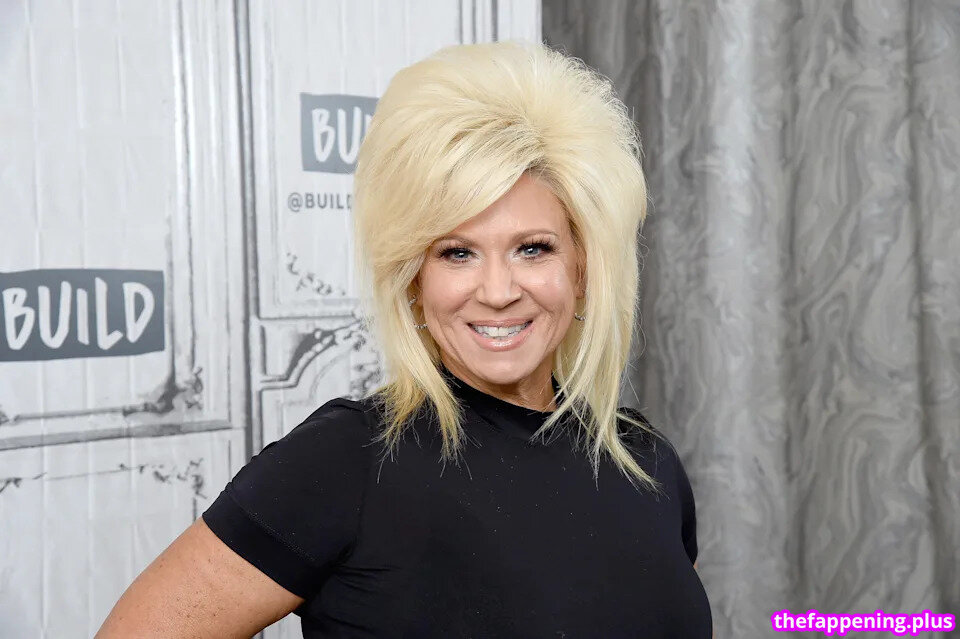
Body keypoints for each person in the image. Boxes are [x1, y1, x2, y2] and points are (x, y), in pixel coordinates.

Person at [96, 39, 712, 638]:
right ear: (414, 280)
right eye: (457, 252)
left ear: (582, 268)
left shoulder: (647, 461)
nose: (498, 291)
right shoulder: (348, 462)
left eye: (533, 248)